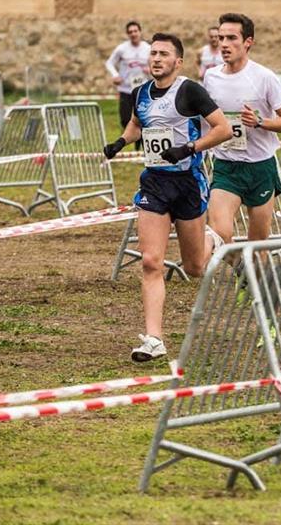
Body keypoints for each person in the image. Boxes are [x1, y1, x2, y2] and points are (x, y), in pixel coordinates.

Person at [102, 32, 232, 362]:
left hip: (188, 183)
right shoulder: (140, 93)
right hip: (155, 184)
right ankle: (154, 339)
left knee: (195, 267)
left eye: (164, 54)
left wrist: (189, 147)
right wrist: (120, 142)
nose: (156, 58)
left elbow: (223, 129)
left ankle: (212, 239)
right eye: (153, 53)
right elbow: (136, 125)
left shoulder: (190, 91)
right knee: (150, 261)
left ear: (178, 61)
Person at [203, 13, 281, 246]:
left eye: (231, 38)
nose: (224, 44)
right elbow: (207, 121)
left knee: (258, 245)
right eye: (221, 38)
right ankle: (242, 268)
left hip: (260, 167)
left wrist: (259, 122)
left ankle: (251, 276)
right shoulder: (211, 77)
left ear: (248, 42)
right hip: (226, 165)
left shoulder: (264, 77)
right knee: (220, 233)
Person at [105, 21, 152, 136]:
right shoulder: (122, 49)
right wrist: (115, 75)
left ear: (140, 32)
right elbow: (109, 63)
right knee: (125, 119)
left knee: (144, 118)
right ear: (127, 34)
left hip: (142, 89)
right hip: (126, 89)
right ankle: (133, 136)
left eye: (135, 31)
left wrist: (150, 70)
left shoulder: (148, 48)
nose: (133, 34)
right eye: (130, 32)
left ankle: (140, 143)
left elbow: (155, 64)